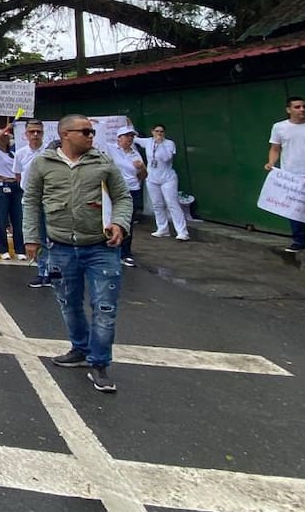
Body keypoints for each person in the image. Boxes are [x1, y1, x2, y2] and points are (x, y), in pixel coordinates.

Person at [23, 113, 132, 394]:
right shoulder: (42, 164)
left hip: (100, 247)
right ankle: (79, 349)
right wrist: (31, 238)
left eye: (92, 132)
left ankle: (99, 363)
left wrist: (119, 223)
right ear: (66, 134)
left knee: (105, 307)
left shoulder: (103, 161)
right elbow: (31, 201)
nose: (90, 136)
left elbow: (122, 197)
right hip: (60, 247)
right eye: (85, 131)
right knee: (69, 304)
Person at [266, 95, 305, 253]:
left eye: (304, 106)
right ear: (288, 109)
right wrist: (271, 163)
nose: (302, 109)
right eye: (297, 107)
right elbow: (275, 148)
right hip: (292, 175)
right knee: (295, 209)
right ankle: (299, 241)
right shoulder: (279, 127)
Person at [14, 119, 50, 284]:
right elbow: (18, 175)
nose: (35, 135)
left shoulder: (51, 152)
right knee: (36, 237)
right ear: (26, 134)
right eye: (32, 132)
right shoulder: (20, 153)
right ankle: (42, 271)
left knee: (52, 237)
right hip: (30, 200)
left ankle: (53, 271)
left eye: (38, 131)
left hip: (49, 199)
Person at [106, 126, 147, 267]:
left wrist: (141, 168)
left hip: (132, 190)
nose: (129, 138)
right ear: (119, 137)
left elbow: (144, 176)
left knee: (127, 222)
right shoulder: (111, 149)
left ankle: (125, 253)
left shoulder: (135, 154)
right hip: (114, 190)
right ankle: (111, 250)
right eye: (126, 136)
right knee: (111, 219)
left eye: (131, 136)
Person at [0, 123, 27, 260]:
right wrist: (4, 128)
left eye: (7, 137)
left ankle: (20, 248)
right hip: (0, 185)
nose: (5, 138)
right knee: (1, 218)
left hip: (15, 186)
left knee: (18, 219)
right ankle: (3, 248)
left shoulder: (13, 153)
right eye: (2, 136)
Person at [145, 124, 188, 241]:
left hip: (167, 178)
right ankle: (162, 229)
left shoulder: (169, 143)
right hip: (152, 178)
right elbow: (134, 138)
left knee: (172, 203)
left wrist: (160, 144)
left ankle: (182, 231)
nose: (159, 133)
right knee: (157, 204)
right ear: (152, 132)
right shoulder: (148, 142)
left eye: (162, 132)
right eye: (157, 131)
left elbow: (166, 158)